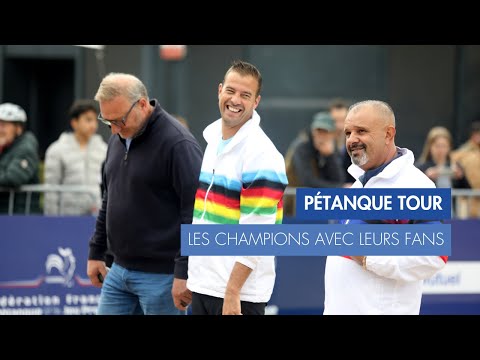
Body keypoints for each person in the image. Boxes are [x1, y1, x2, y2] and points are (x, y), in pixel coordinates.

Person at [87, 73, 203, 315]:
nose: (114, 129)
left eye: (119, 120)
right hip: (118, 271)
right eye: (107, 121)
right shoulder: (117, 138)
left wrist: (184, 271)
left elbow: (194, 212)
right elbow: (110, 198)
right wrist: (97, 252)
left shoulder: (178, 144)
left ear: (142, 103)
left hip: (163, 276)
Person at [324, 100, 448, 315]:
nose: (352, 139)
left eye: (361, 131)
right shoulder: (359, 183)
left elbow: (435, 255)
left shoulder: (414, 185)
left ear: (388, 134)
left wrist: (368, 258)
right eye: (348, 133)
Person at [186, 60, 288, 315]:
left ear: (256, 102)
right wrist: (194, 278)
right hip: (204, 286)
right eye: (230, 91)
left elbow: (259, 234)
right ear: (219, 90)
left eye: (245, 95)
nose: (235, 100)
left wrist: (233, 292)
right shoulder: (212, 140)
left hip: (239, 295)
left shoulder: (263, 154)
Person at [44, 99, 107, 215]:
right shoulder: (57, 150)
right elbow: (51, 189)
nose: (93, 125)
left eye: (95, 120)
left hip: (98, 216)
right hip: (68, 217)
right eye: (88, 120)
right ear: (74, 122)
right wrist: (52, 219)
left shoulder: (104, 149)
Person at [0, 102, 40, 214]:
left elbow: (13, 178)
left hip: (21, 216)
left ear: (18, 128)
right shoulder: (4, 146)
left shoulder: (26, 146)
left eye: (4, 125)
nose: (0, 129)